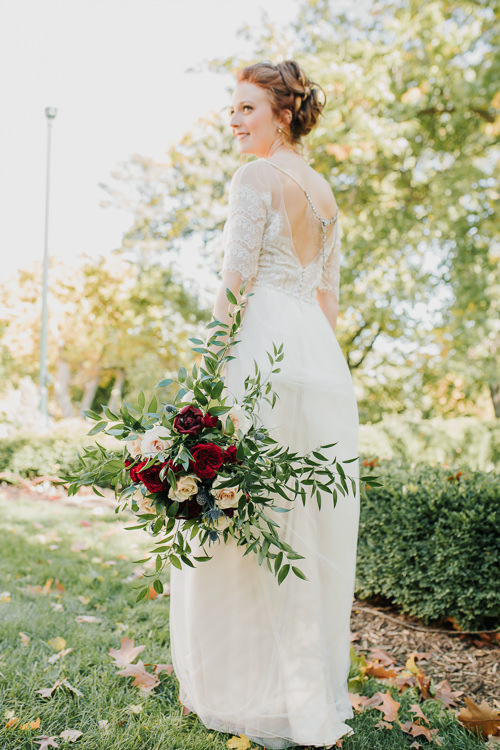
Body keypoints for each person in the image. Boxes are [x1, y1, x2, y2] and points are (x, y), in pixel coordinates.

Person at [170, 60, 360, 749]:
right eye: (232, 108)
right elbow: (327, 298)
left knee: (242, 519)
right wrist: (318, 368)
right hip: (314, 359)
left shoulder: (254, 178)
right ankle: (298, 689)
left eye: (247, 108)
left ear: (283, 113)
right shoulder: (325, 193)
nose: (234, 120)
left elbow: (235, 282)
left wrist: (205, 384)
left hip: (261, 353)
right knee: (298, 521)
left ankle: (240, 690)